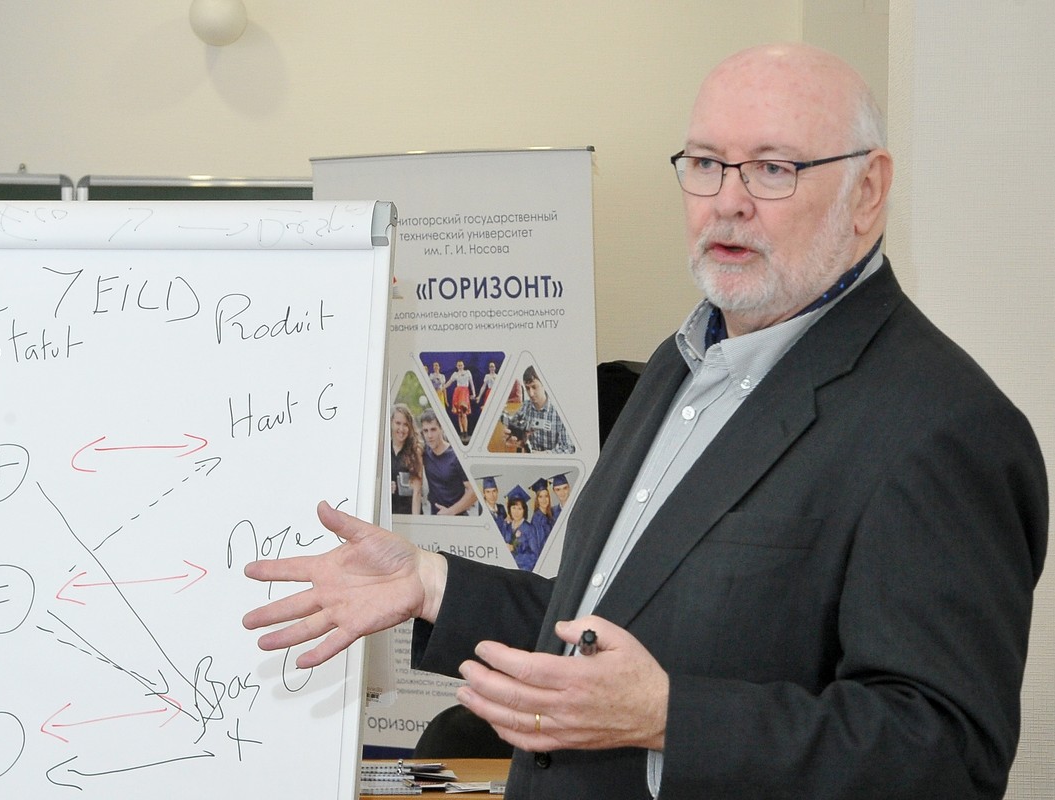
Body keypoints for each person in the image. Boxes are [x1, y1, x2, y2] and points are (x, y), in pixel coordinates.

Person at [243, 43, 1047, 799]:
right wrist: (429, 583)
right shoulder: (680, 363)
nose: (726, 202)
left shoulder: (943, 426)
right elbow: (600, 630)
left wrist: (669, 718)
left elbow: (945, 753)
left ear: (866, 191)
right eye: (704, 164)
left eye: (772, 169)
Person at [502, 366, 575, 454]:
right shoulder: (525, 406)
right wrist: (514, 438)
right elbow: (515, 428)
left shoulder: (561, 411)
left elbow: (568, 448)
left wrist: (544, 455)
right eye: (527, 388)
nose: (531, 394)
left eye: (534, 387)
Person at [419, 409, 476, 516]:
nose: (429, 435)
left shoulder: (456, 456)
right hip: (436, 518)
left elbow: (474, 491)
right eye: (425, 431)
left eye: (433, 429)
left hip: (458, 519)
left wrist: (451, 511)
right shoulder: (424, 452)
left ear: (442, 428)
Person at [389, 403, 423, 515]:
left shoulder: (415, 451)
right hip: (389, 513)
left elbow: (417, 491)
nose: (401, 429)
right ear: (391, 423)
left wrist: (415, 520)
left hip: (408, 514)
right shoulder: (383, 450)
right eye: (398, 423)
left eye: (405, 425)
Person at [504, 484, 540, 572]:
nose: (516, 512)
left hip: (523, 571)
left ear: (524, 510)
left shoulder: (529, 529)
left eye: (519, 509)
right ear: (509, 509)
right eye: (513, 508)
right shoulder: (507, 527)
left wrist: (514, 552)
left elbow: (534, 556)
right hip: (506, 570)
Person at [443, 360, 475, 442]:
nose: (460, 366)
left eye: (461, 365)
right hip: (457, 392)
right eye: (458, 365)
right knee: (459, 414)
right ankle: (462, 432)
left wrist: (474, 394)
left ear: (463, 365)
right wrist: (442, 388)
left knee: (464, 413)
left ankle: (466, 431)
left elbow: (471, 383)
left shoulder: (468, 372)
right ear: (457, 366)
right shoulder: (455, 374)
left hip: (465, 392)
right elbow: (449, 382)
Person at [480, 475, 511, 544]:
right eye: (488, 492)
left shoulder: (501, 508)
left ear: (497, 491)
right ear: (484, 493)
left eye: (494, 491)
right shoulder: (481, 511)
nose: (492, 495)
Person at [529, 478, 555, 553]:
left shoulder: (550, 515)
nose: (544, 500)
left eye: (546, 496)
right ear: (537, 499)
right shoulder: (537, 519)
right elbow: (538, 545)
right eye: (540, 497)